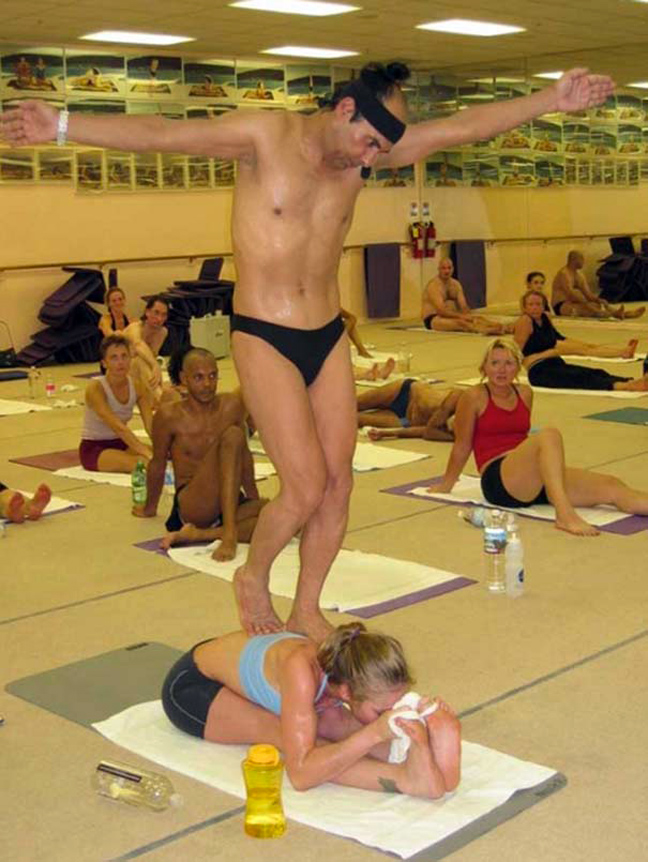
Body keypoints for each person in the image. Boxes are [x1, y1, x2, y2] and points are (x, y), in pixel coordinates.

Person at [0, 62, 615, 639]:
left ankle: (307, 606)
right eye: (369, 142)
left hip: (324, 336)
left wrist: (551, 99)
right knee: (304, 485)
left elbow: (460, 127)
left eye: (381, 149)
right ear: (345, 109)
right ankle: (252, 577)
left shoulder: (366, 151)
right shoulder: (265, 137)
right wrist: (61, 125)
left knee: (339, 485)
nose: (372, 160)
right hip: (264, 333)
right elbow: (164, 134)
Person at [162, 621, 461, 797]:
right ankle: (406, 780)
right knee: (291, 738)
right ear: (346, 692)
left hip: (246, 671)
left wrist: (396, 730)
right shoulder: (301, 671)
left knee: (336, 723)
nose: (387, 714)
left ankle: (418, 756)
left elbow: (355, 718)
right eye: (381, 709)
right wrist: (373, 733)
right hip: (194, 687)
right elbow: (301, 775)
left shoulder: (344, 661)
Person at [429, 338, 648, 536]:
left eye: (508, 363)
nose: (501, 370)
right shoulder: (473, 396)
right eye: (495, 363)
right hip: (499, 480)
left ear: (518, 367)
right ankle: (564, 514)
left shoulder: (525, 393)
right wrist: (446, 485)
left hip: (532, 476)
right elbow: (462, 445)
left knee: (612, 485)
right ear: (484, 367)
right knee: (548, 435)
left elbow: (521, 437)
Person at [133, 347, 266, 561]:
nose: (207, 384)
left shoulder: (231, 405)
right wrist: (150, 507)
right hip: (194, 504)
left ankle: (201, 535)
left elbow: (244, 456)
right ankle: (229, 533)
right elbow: (157, 463)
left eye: (212, 376)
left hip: (228, 500)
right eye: (199, 377)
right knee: (232, 435)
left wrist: (253, 500)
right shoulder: (169, 415)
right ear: (184, 378)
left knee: (286, 517)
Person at [514, 291, 647, 390]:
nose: (535, 307)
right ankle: (626, 386)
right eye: (531, 305)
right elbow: (516, 352)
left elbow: (560, 338)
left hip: (556, 363)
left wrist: (584, 345)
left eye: (538, 304)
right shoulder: (525, 321)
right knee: (581, 378)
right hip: (539, 371)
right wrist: (548, 353)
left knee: (593, 372)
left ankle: (628, 378)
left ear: (544, 306)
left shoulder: (545, 318)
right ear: (525, 307)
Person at [79, 334, 154, 472]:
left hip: (121, 443)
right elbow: (118, 427)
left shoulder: (138, 386)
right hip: (95, 448)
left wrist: (162, 449)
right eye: (114, 358)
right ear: (104, 363)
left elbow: (150, 426)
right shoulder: (96, 388)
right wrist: (147, 453)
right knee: (142, 463)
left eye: (124, 356)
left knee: (168, 456)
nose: (121, 362)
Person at [421, 258, 510, 334]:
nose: (447, 271)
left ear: (453, 269)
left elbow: (463, 306)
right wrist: (461, 316)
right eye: (443, 268)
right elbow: (441, 311)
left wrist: (468, 316)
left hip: (452, 315)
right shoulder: (434, 286)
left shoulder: (455, 284)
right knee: (461, 323)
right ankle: (484, 330)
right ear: (439, 269)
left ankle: (502, 327)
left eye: (449, 268)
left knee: (478, 318)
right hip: (433, 319)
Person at [551, 250, 645, 319]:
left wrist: (598, 300)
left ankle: (622, 313)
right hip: (561, 305)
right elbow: (571, 294)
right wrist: (588, 305)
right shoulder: (564, 274)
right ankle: (618, 314)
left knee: (597, 305)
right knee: (587, 309)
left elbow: (588, 294)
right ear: (574, 260)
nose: (583, 262)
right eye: (582, 259)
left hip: (575, 303)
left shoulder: (579, 275)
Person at [357, 380, 462, 442]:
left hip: (405, 420)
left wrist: (386, 433)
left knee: (356, 419)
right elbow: (431, 429)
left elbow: (425, 432)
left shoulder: (464, 434)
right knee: (354, 403)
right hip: (405, 391)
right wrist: (448, 435)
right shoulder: (459, 396)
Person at [123, 295, 169, 404]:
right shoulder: (135, 328)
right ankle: (160, 398)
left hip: (139, 375)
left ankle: (158, 396)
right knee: (139, 360)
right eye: (156, 313)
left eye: (163, 315)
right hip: (119, 371)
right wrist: (155, 365)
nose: (159, 319)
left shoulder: (162, 332)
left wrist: (155, 367)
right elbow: (138, 345)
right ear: (147, 312)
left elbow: (152, 356)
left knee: (145, 363)